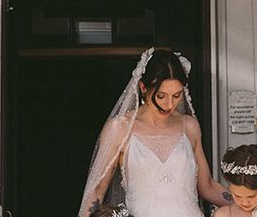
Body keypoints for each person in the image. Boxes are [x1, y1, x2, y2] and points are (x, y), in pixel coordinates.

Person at [78, 48, 230, 217]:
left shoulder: (189, 126)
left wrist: (249, 204)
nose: (169, 104)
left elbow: (207, 186)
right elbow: (97, 191)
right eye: (161, 96)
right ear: (143, 87)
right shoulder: (120, 128)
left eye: (176, 95)